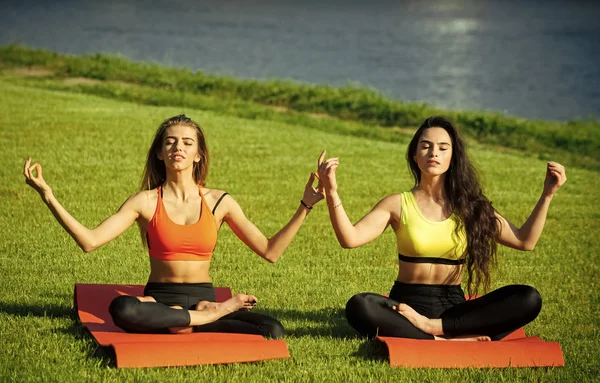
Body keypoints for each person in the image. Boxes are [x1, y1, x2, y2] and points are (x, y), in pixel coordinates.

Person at [23, 114, 324, 337]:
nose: (178, 147)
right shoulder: (144, 202)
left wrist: (305, 205)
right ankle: (206, 317)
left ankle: (192, 318)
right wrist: (49, 197)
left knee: (272, 329)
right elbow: (89, 241)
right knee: (123, 309)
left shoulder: (220, 202)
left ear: (198, 155)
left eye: (187, 142)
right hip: (160, 299)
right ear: (159, 152)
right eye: (170, 141)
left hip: (203, 298)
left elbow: (270, 251)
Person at [317, 116, 567, 341]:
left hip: (453, 307)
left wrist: (547, 194)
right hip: (407, 306)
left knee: (528, 298)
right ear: (414, 156)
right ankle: (447, 338)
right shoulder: (397, 204)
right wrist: (332, 191)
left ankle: (435, 329)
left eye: (442, 148)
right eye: (425, 146)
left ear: (453, 156)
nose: (433, 152)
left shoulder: (470, 207)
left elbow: (524, 241)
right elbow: (350, 238)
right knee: (359, 305)